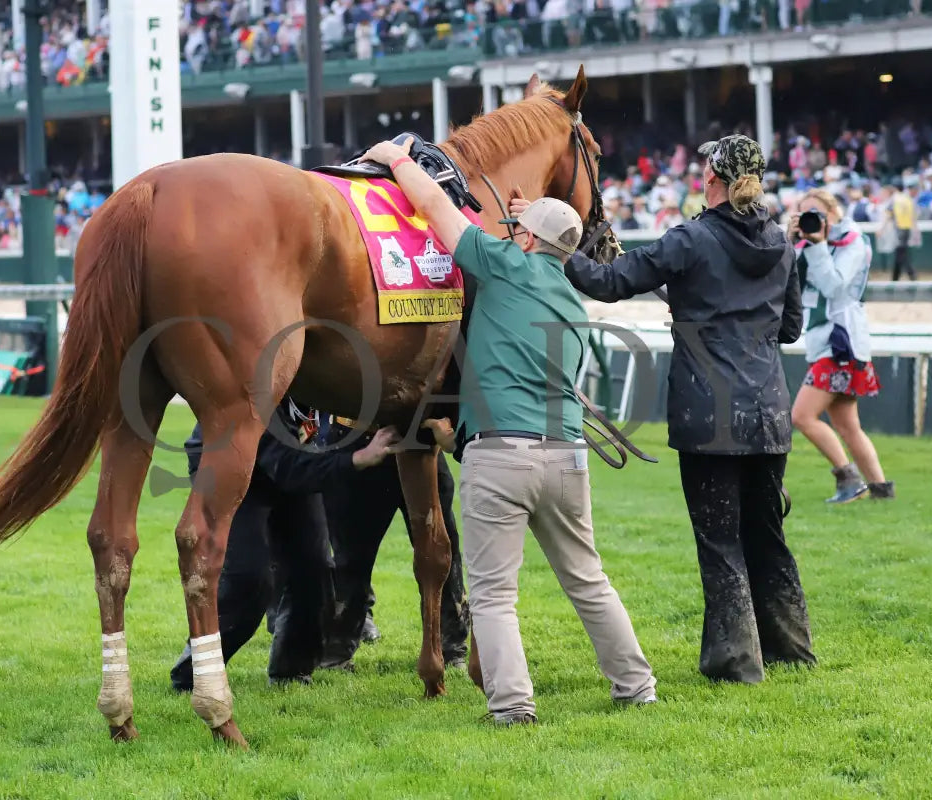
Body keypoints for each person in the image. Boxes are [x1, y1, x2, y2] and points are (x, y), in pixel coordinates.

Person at [359, 136, 657, 725]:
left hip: (501, 460)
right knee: (588, 579)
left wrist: (396, 160)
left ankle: (513, 705)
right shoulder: (572, 298)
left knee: (494, 593)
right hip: (566, 457)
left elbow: (437, 210)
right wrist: (453, 439)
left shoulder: (503, 265)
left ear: (523, 239)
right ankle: (636, 685)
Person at [520, 133, 815, 684]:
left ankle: (736, 663)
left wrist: (557, 244)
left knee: (720, 539)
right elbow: (791, 327)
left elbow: (608, 282)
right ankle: (790, 649)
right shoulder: (780, 240)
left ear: (714, 181)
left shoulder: (691, 238)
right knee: (767, 534)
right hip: (769, 411)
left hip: (709, 414)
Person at [169, 399, 398, 690]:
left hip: (290, 467)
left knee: (314, 570)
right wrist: (358, 459)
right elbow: (287, 465)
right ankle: (192, 673)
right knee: (249, 578)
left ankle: (292, 670)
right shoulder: (263, 382)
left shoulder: (326, 379)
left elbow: (305, 446)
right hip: (227, 465)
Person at [316, 415, 470, 670]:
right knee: (349, 558)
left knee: (443, 553)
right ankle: (336, 652)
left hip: (421, 441)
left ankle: (452, 649)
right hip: (358, 436)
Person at [789, 188, 895, 503]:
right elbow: (788, 280)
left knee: (802, 416)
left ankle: (850, 481)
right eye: (804, 213)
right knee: (848, 426)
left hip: (841, 343)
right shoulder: (808, 243)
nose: (811, 220)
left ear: (833, 213)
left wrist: (818, 244)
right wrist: (792, 240)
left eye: (816, 213)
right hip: (827, 341)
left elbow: (834, 285)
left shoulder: (854, 242)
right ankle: (881, 492)